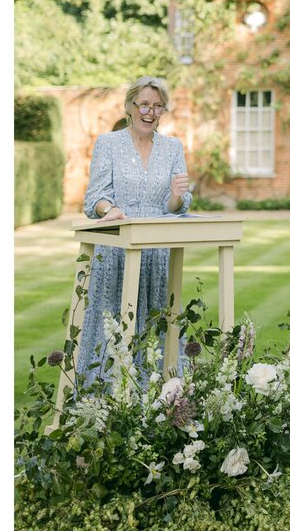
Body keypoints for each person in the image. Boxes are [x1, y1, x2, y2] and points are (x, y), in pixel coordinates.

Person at [77, 76, 191, 387]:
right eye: (144, 104)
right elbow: (94, 199)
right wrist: (108, 210)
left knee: (156, 326)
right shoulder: (108, 143)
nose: (150, 112)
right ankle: (102, 404)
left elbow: (175, 206)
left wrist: (177, 195)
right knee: (111, 326)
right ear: (130, 107)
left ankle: (159, 401)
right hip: (117, 248)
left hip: (157, 252)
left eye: (158, 107)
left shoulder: (172, 148)